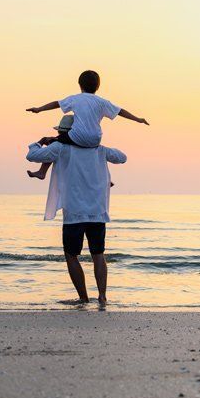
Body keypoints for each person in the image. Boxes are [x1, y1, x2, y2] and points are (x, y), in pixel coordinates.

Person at [26, 136, 127, 306]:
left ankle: (83, 297)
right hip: (97, 212)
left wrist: (40, 141)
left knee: (71, 255)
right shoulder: (99, 150)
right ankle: (102, 297)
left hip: (74, 213)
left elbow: (32, 155)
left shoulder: (60, 148)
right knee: (98, 255)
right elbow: (122, 157)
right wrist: (98, 145)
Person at [25, 69, 147, 180]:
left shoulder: (76, 99)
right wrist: (138, 119)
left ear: (80, 85)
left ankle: (42, 172)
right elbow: (120, 111)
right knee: (89, 152)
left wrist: (39, 109)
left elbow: (56, 103)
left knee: (52, 141)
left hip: (77, 136)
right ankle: (104, 179)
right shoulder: (102, 102)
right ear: (98, 86)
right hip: (95, 140)